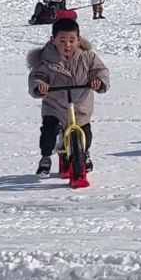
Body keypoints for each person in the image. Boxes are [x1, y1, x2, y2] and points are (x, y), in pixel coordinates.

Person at [27, 19, 110, 177]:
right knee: (48, 132)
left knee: (86, 133)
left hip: (80, 104)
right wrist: (40, 86)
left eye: (72, 41)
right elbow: (36, 76)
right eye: (62, 41)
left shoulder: (87, 57)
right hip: (55, 106)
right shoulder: (46, 60)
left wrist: (99, 82)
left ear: (78, 39)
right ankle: (45, 157)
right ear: (54, 40)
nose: (68, 45)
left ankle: (84, 154)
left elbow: (100, 70)